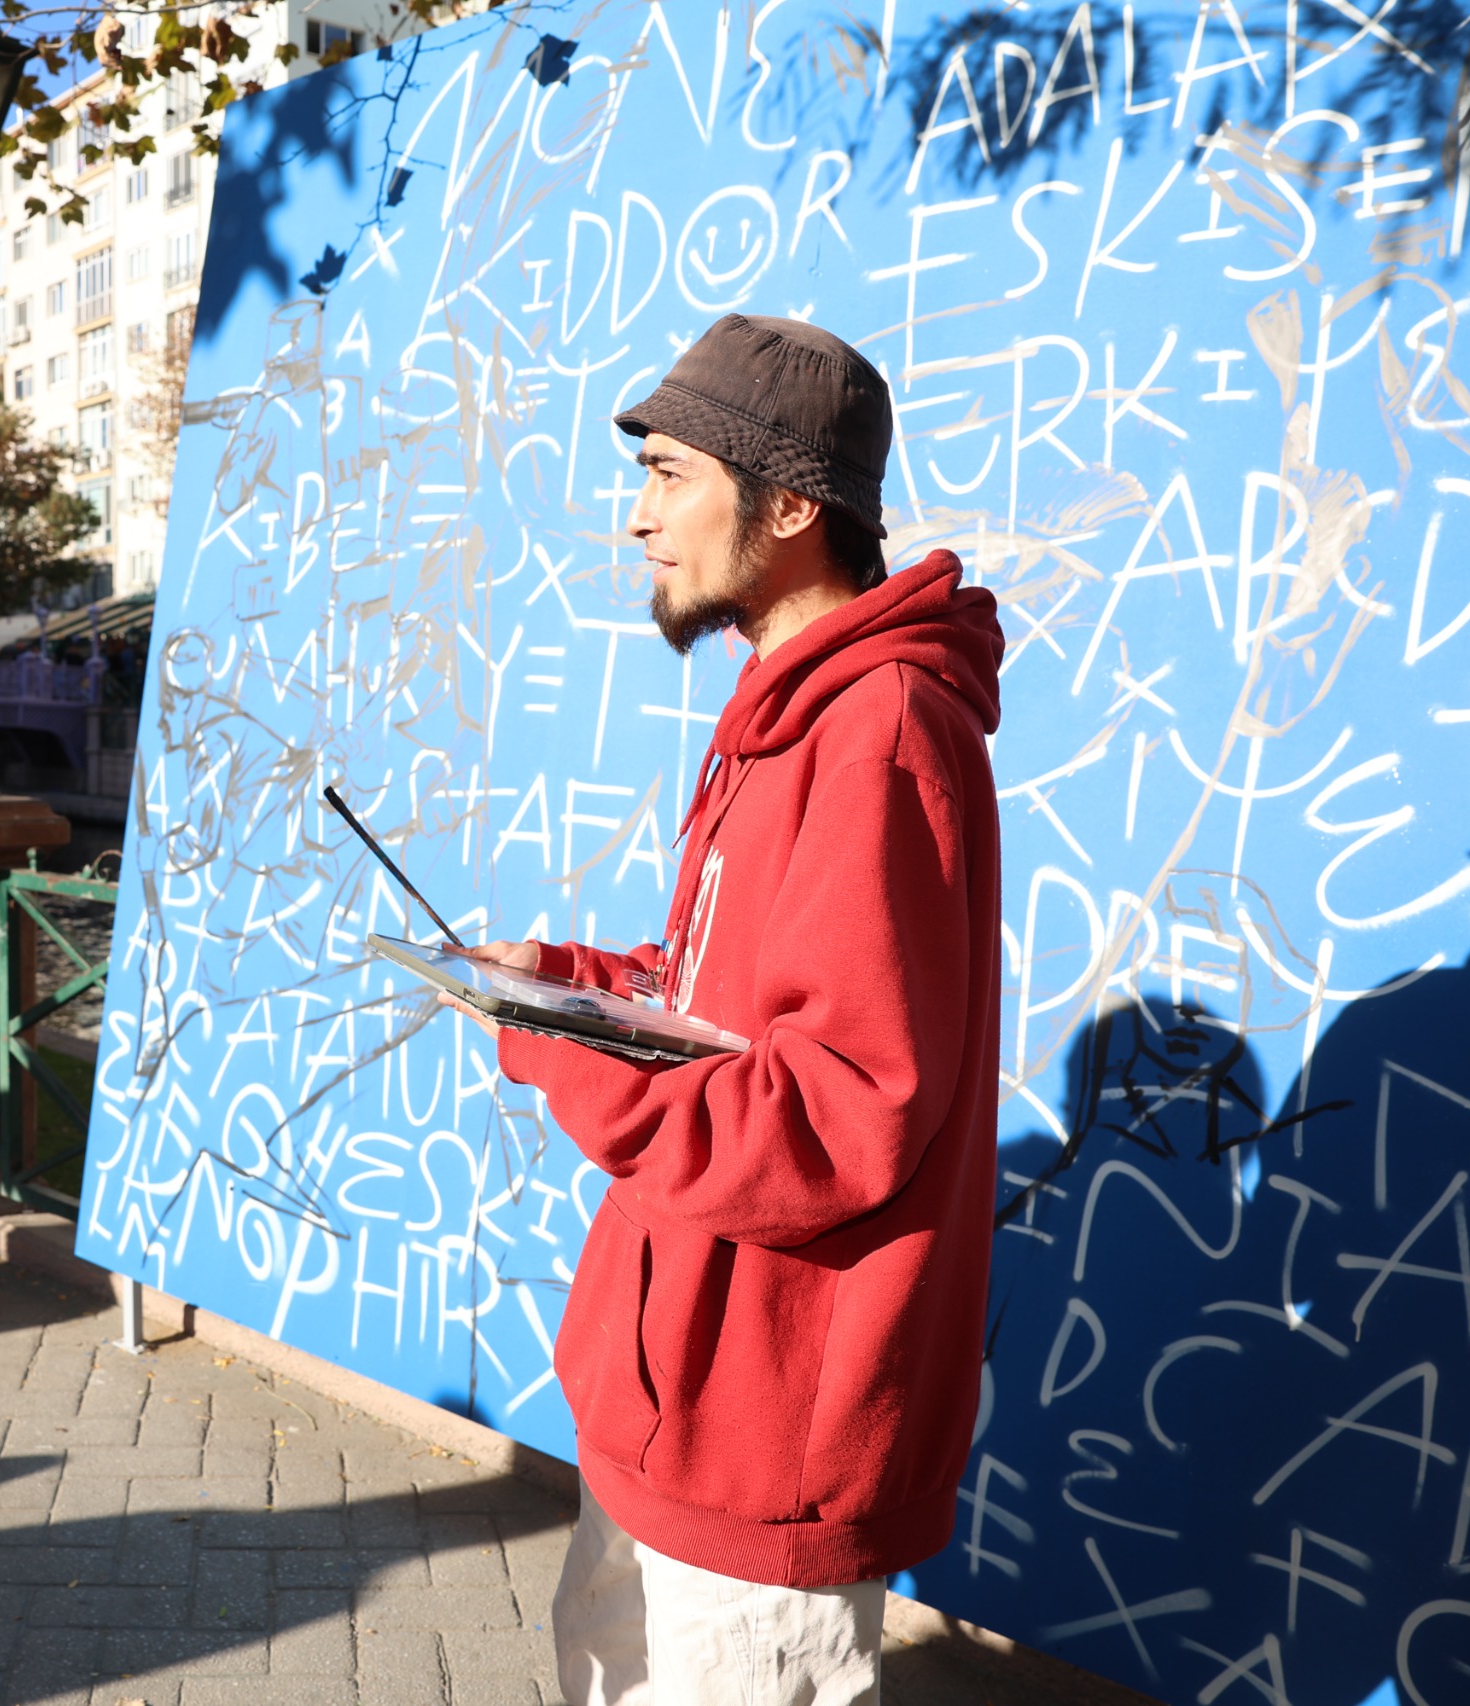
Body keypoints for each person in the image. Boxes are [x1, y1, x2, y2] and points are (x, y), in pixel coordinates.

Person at [449, 315, 1004, 1705]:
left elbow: (831, 1116)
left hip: (767, 1436)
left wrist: (570, 1052)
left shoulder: (876, 730)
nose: (637, 517)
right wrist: (571, 983)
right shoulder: (784, 701)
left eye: (670, 475)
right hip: (672, 1400)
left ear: (794, 504)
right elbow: (727, 1003)